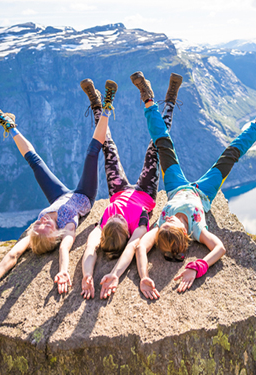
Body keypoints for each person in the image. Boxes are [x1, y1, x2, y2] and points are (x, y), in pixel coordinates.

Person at [130, 71, 256, 299]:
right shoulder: (196, 230)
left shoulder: (161, 230)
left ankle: (148, 98)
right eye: (170, 222)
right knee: (230, 155)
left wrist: (144, 276)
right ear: (184, 232)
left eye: (165, 222)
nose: (166, 219)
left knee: (163, 143)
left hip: (175, 187)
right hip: (203, 193)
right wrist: (198, 266)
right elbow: (219, 249)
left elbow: (141, 248)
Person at [0, 80, 115, 300]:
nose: (41, 222)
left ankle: (10, 125)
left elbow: (13, 254)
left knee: (35, 162)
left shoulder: (36, 232)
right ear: (55, 234)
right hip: (83, 196)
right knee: (92, 153)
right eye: (44, 227)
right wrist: (63, 272)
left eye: (37, 225)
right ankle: (106, 106)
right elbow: (65, 250)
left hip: (57, 196)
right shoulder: (67, 227)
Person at [79, 76, 179, 300]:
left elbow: (89, 250)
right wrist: (114, 274)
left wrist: (87, 274)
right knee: (157, 146)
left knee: (108, 147)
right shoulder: (139, 225)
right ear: (127, 231)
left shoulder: (105, 223)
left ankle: (98, 104)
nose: (119, 216)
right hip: (145, 192)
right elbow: (133, 247)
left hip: (118, 191)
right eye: (122, 222)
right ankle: (168, 100)